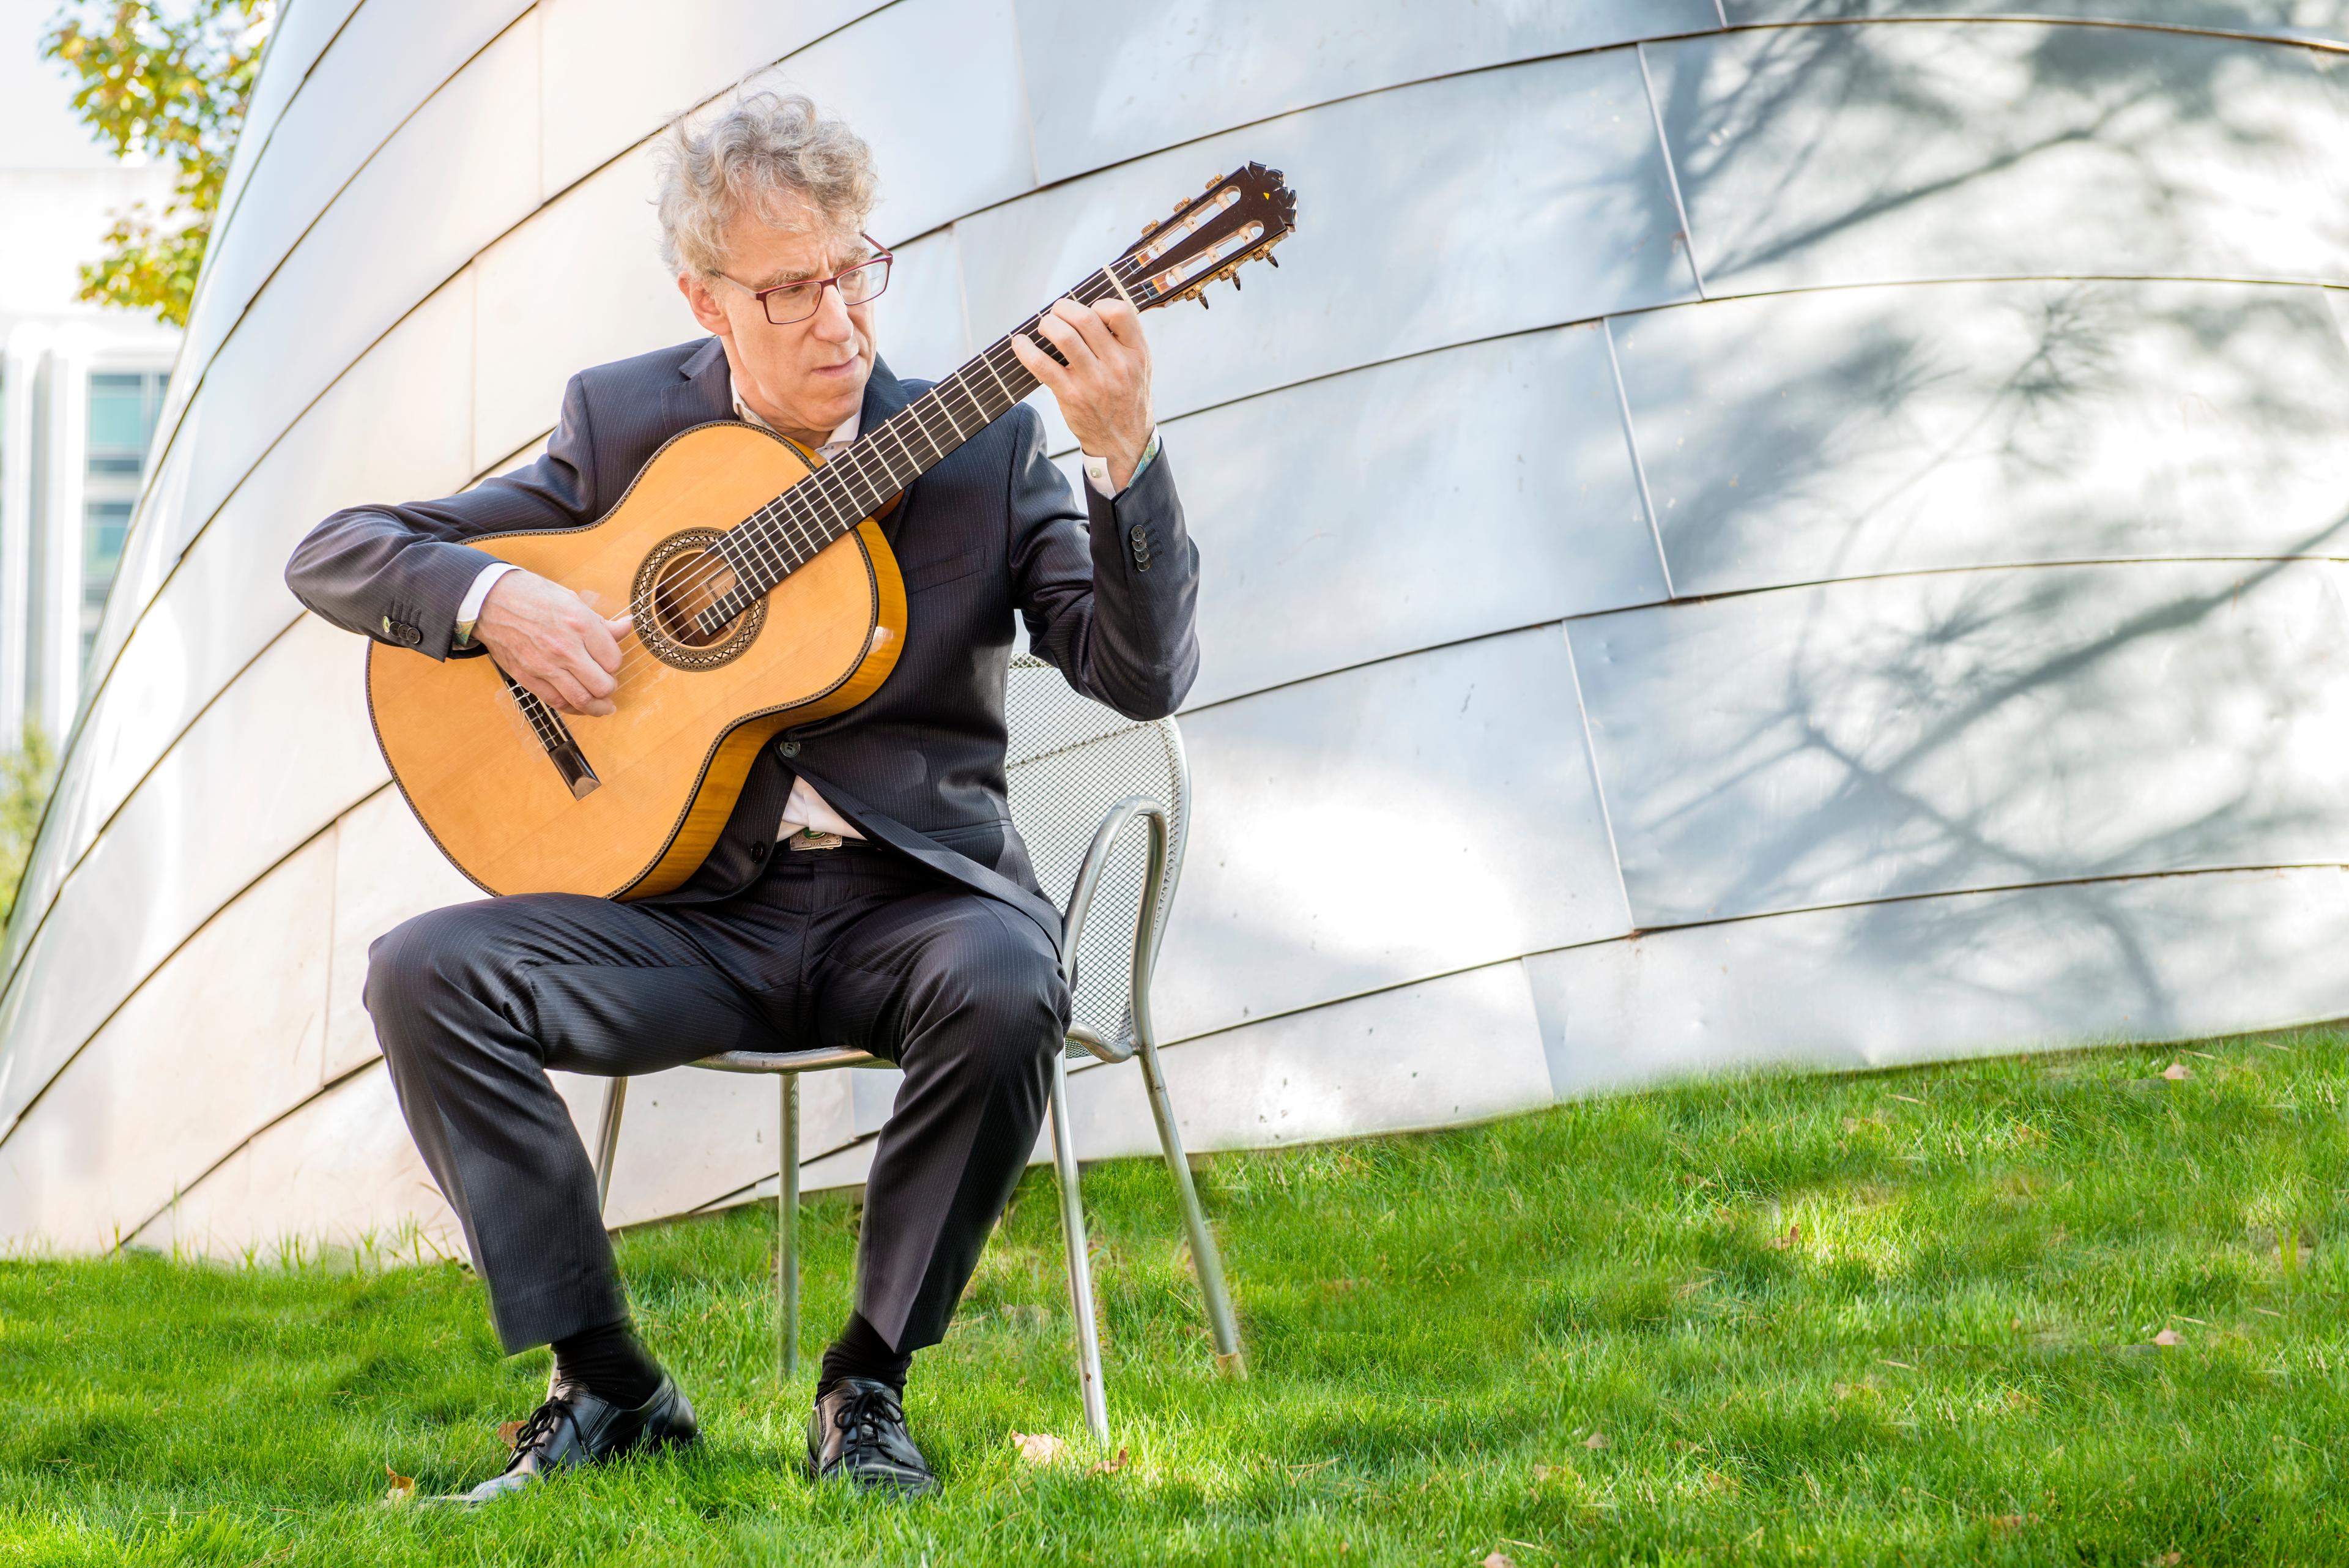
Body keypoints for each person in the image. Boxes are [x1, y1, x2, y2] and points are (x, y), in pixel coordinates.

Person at [282, 88, 1197, 1502]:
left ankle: (867, 1387)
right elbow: (340, 551)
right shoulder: (628, 423)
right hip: (690, 918)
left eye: (853, 271)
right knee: (422, 972)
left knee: (1017, 977)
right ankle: (610, 1385)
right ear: (706, 300)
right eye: (788, 291)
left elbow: (1140, 678)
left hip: (911, 913)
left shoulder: (984, 454)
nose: (838, 321)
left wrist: (1125, 457)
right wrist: (497, 595)